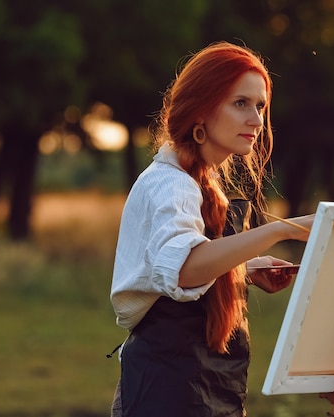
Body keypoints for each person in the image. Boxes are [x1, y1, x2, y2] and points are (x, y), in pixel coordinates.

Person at [109, 41, 314, 417]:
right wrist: (281, 231)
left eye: (261, 106)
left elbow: (176, 275)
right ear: (200, 108)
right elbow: (185, 269)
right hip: (167, 391)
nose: (256, 120)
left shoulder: (202, 181)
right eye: (240, 103)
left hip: (208, 384)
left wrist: (244, 271)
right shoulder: (169, 183)